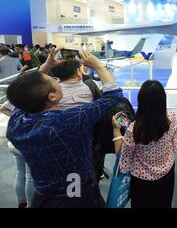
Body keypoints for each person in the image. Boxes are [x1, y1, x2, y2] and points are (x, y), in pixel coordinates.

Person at [6, 47, 123, 208]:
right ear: (52, 96)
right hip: (75, 193)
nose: (56, 79)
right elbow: (113, 96)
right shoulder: (69, 121)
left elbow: (23, 93)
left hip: (43, 196)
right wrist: (98, 66)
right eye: (53, 80)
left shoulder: (16, 125)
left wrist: (46, 66)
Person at [112, 80, 177, 208]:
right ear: (163, 99)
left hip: (142, 180)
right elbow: (175, 143)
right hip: (167, 173)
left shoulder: (134, 129)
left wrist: (116, 129)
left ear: (141, 101)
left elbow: (122, 156)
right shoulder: (171, 116)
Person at [0, 101, 35, 208]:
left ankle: (21, 202)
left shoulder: (17, 95)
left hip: (15, 143)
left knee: (20, 173)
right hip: (29, 143)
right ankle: (30, 205)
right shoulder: (37, 95)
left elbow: (3, 108)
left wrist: (15, 117)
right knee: (30, 177)